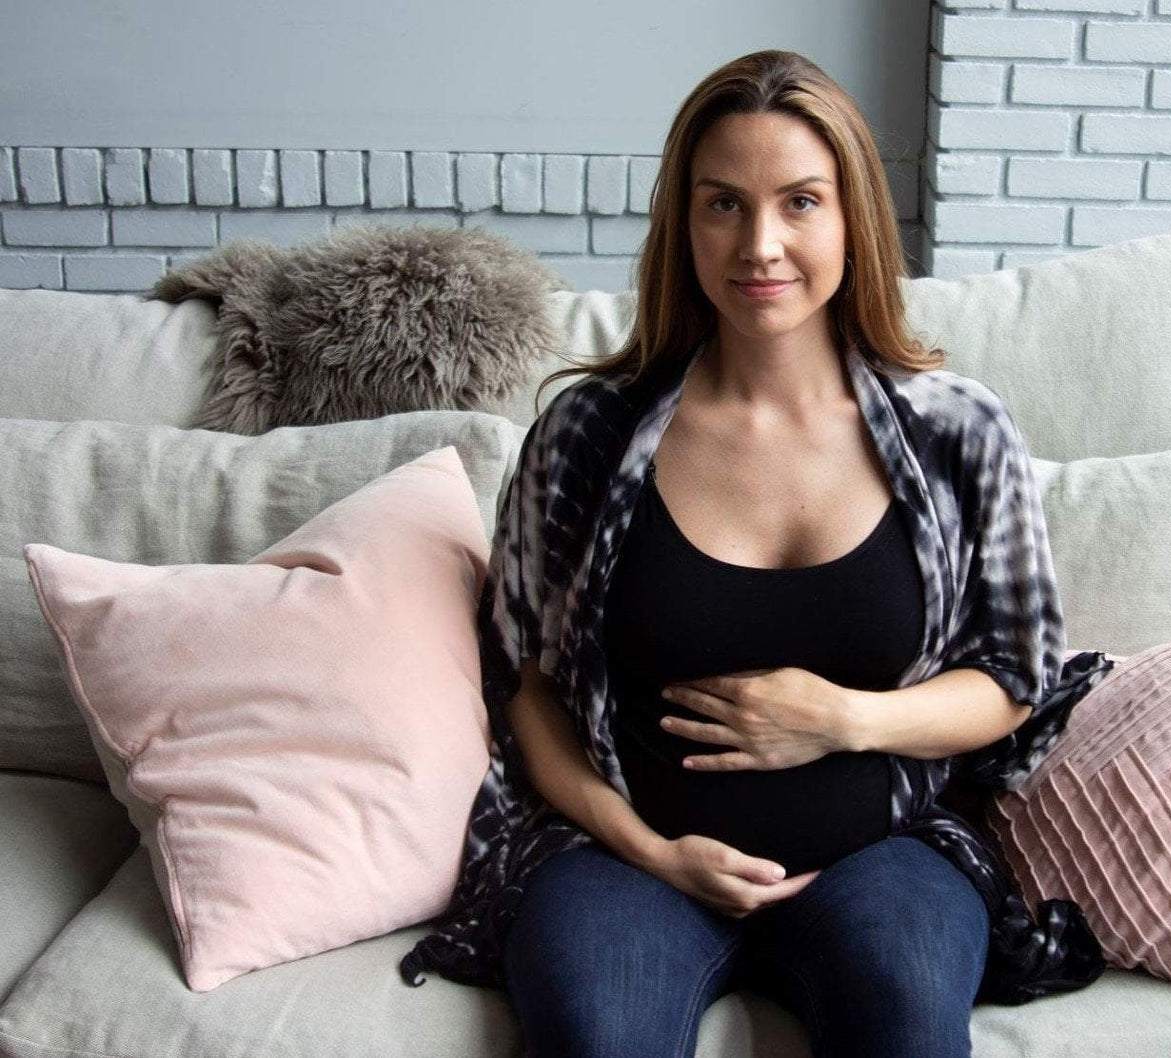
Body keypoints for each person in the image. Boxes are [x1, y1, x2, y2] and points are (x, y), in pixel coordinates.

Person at [398, 48, 1116, 1058]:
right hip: (629, 857)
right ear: (683, 223)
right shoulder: (590, 433)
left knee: (909, 1024)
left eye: (801, 202)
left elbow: (1013, 676)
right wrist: (651, 848)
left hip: (880, 853)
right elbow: (525, 684)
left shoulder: (959, 431)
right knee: (596, 1038)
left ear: (853, 218)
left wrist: (843, 718)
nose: (760, 244)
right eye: (724, 205)